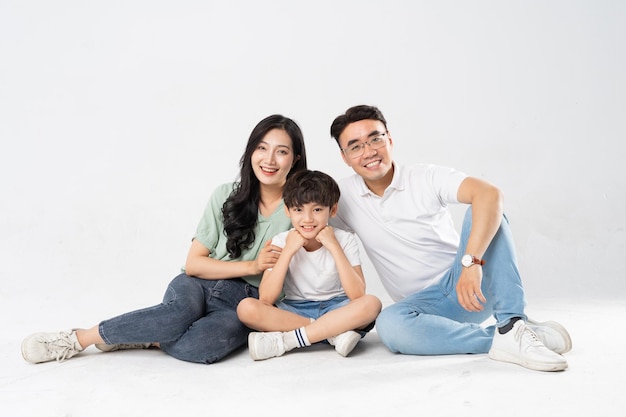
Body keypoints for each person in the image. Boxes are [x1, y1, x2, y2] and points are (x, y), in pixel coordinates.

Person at [21, 114, 308, 364]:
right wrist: (252, 266)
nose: (269, 160)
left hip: (247, 302)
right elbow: (194, 264)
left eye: (281, 152)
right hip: (198, 284)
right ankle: (79, 338)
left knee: (203, 346)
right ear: (250, 152)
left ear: (295, 159)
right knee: (176, 315)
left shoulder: (304, 212)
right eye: (261, 148)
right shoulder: (226, 195)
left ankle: (148, 335)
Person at [328, 104, 572, 372]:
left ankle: (512, 322)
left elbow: (490, 194)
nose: (369, 151)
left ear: (390, 139)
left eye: (375, 138)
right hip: (423, 308)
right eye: (356, 146)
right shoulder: (342, 197)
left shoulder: (424, 177)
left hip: (468, 284)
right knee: (389, 325)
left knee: (486, 210)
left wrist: (471, 264)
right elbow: (305, 218)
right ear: (345, 157)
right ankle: (511, 337)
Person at [236, 169, 382, 360]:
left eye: (317, 209)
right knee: (246, 308)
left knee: (372, 304)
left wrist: (334, 247)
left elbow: (357, 294)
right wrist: (288, 251)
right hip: (295, 310)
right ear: (287, 210)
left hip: (338, 307)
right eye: (298, 210)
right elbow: (266, 298)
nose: (308, 219)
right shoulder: (281, 241)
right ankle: (332, 333)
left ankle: (291, 340)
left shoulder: (344, 239)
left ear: (333, 209)